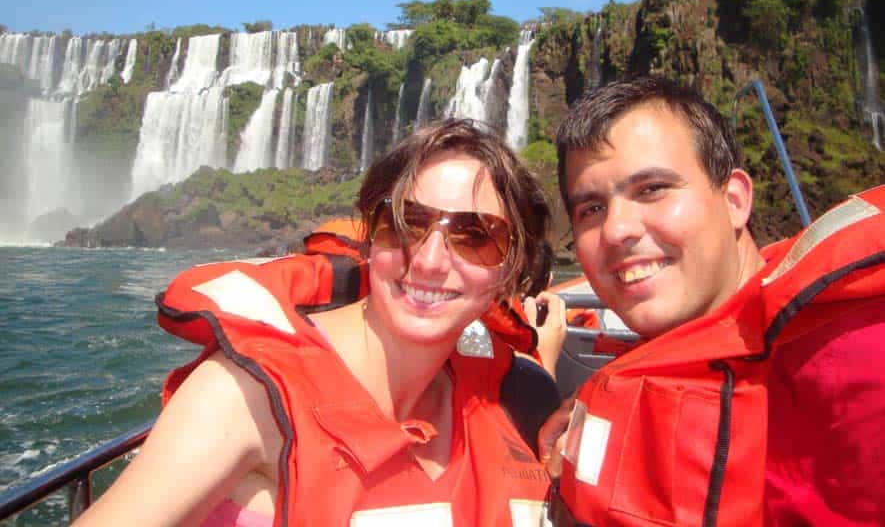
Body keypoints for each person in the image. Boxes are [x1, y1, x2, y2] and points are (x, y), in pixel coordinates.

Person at [74, 119, 565, 526]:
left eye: (475, 235)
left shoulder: (512, 397)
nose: (430, 260)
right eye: (405, 222)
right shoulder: (246, 396)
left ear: (511, 267)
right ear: (370, 239)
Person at [541, 76, 885, 526]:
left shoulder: (852, 351)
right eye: (591, 209)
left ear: (735, 200)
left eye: (652, 189)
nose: (616, 230)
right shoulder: (640, 369)